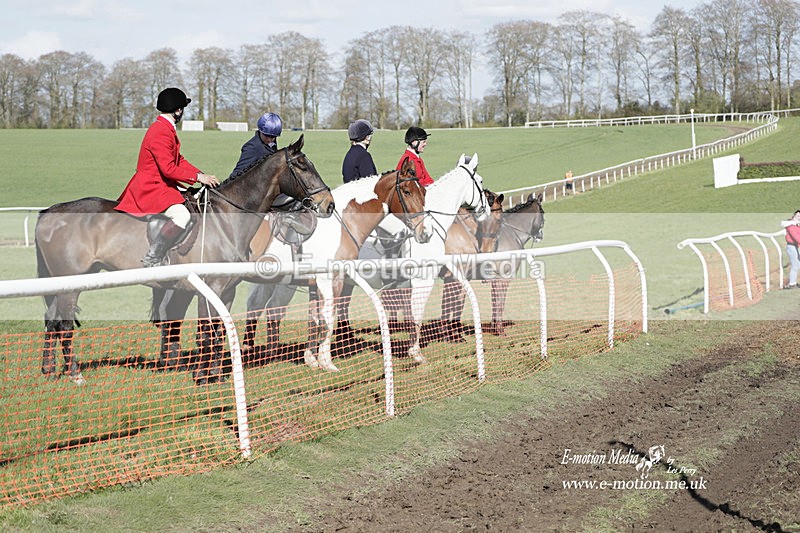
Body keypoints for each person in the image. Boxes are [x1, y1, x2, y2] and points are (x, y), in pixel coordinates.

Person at [115, 87, 220, 267]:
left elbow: (178, 160)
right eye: (182, 109)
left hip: (161, 183)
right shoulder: (161, 131)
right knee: (182, 216)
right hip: (151, 187)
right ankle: (153, 257)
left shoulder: (164, 128)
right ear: (178, 110)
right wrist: (197, 177)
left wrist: (202, 175)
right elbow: (169, 169)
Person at [230, 112, 283, 177]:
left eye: (272, 137)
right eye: (266, 135)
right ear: (260, 130)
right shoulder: (251, 147)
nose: (269, 140)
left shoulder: (272, 144)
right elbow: (237, 173)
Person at [781, 210, 800, 288]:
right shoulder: (790, 224)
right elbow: (796, 236)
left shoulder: (797, 225)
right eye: (798, 216)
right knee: (795, 265)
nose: (799, 217)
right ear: (794, 215)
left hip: (795, 246)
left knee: (797, 264)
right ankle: (792, 283)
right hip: (791, 246)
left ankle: (793, 282)